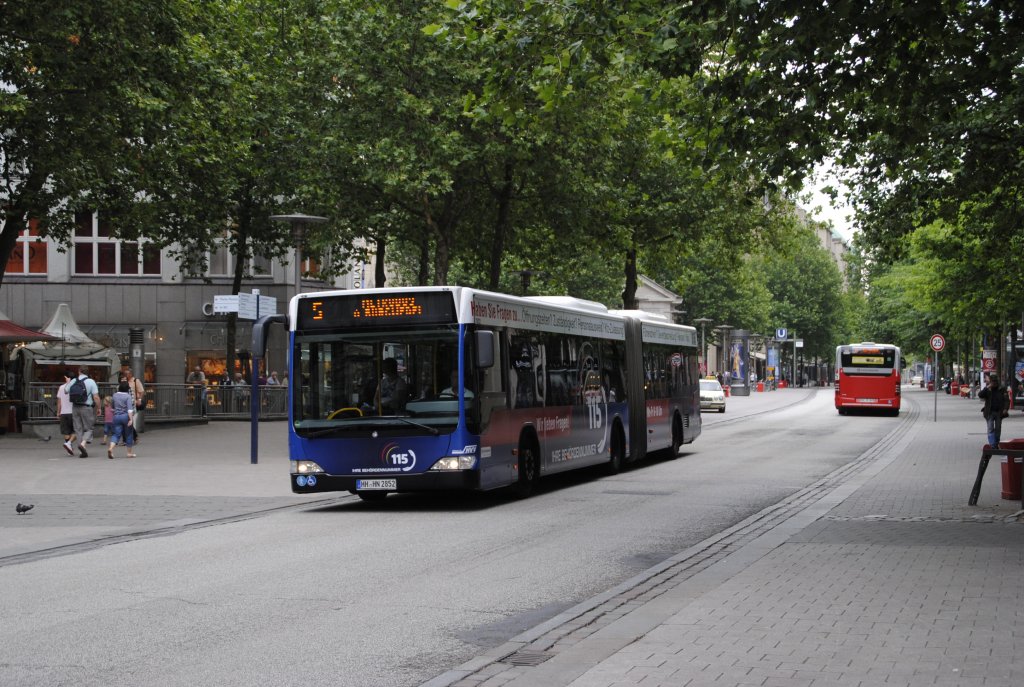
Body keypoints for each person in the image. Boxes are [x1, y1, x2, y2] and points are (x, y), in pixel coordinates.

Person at [65, 366, 101, 457]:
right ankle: (83, 444)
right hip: (86, 407)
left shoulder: (74, 380)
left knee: (78, 429)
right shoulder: (91, 381)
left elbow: (66, 391)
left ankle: (81, 451)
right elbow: (96, 397)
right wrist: (99, 408)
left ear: (79, 371)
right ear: (87, 372)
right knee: (89, 428)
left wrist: (68, 382)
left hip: (75, 407)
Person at [978, 373, 1010, 447]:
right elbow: (980, 395)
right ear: (990, 382)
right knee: (990, 428)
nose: (994, 383)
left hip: (999, 412)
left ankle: (996, 442)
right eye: (992, 382)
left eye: (995, 382)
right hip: (989, 412)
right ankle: (993, 445)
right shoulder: (988, 389)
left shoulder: (1002, 389)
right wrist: (987, 388)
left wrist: (1005, 408)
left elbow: (1006, 400)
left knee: (998, 429)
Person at [107, 380, 137, 459]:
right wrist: (131, 419)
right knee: (129, 434)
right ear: (127, 389)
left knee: (116, 434)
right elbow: (129, 409)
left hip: (116, 417)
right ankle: (129, 453)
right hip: (125, 417)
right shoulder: (128, 396)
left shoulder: (114, 395)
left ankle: (111, 448)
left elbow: (112, 406)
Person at [57, 370, 76, 456]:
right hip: (73, 412)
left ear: (66, 377)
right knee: (77, 430)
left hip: (64, 412)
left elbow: (59, 401)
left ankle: (69, 446)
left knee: (66, 431)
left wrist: (58, 412)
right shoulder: (75, 387)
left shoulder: (61, 387)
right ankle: (69, 444)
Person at [124, 368, 145, 438]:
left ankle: (132, 437)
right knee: (126, 421)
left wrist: (139, 400)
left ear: (130, 374)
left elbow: (142, 391)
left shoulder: (136, 381)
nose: (125, 375)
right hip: (125, 404)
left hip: (134, 404)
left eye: (127, 373)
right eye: (124, 374)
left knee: (133, 421)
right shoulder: (124, 381)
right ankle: (130, 437)